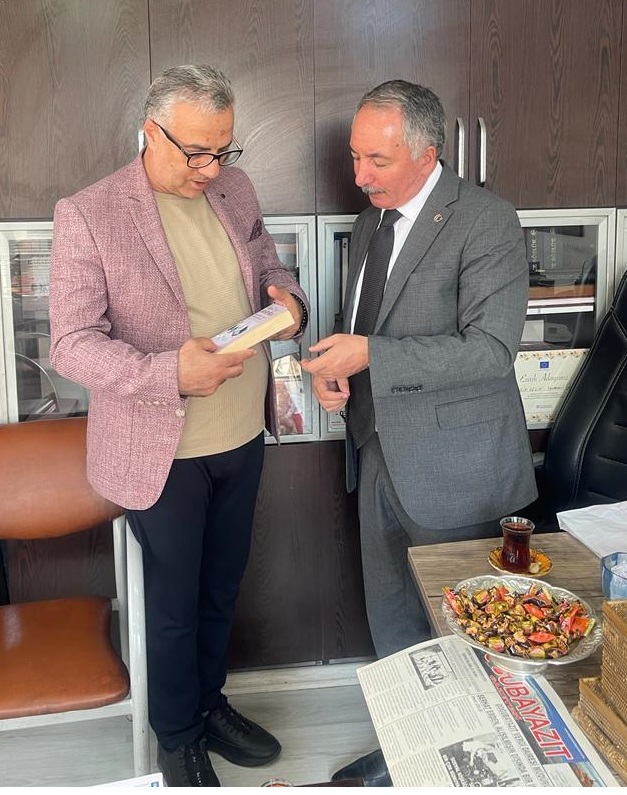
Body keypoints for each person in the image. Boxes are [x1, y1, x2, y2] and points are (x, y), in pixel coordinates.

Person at [49, 64, 309, 787]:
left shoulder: (234, 188)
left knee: (222, 589)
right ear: (150, 131)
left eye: (223, 150)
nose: (210, 169)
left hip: (241, 433)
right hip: (159, 449)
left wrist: (286, 296)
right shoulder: (90, 212)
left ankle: (209, 703)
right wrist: (169, 373)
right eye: (195, 152)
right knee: (173, 605)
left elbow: (268, 262)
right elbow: (71, 343)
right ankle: (177, 736)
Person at [301, 79, 537, 784]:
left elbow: (489, 350)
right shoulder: (368, 222)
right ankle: (410, 755)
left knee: (467, 633)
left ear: (427, 152)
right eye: (354, 156)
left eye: (376, 160)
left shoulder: (486, 220)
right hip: (375, 450)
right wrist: (336, 370)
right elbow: (365, 324)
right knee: (394, 621)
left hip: (457, 467)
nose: (358, 175)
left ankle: (476, 766)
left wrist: (370, 355)